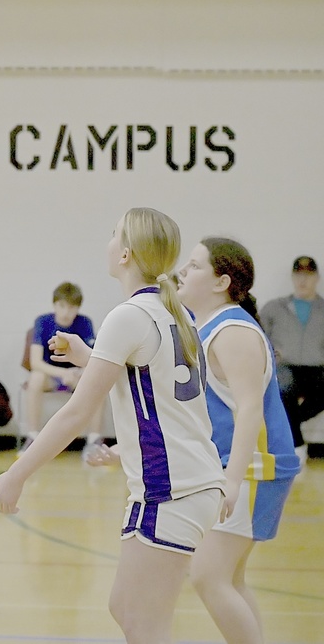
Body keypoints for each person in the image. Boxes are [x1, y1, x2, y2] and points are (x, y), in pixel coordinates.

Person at [0, 207, 225, 644]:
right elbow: (152, 387)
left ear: (126, 254)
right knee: (125, 608)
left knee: (142, 624)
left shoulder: (129, 315)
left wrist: (16, 473)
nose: (108, 241)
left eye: (113, 234)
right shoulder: (176, 313)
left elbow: (77, 413)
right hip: (189, 483)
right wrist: (89, 358)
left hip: (170, 491)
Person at [175, 238, 299, 644]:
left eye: (193, 266)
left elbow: (250, 410)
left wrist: (230, 479)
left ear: (221, 281)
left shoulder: (233, 331)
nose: (182, 271)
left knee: (209, 577)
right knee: (229, 579)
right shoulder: (208, 326)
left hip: (252, 469)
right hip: (239, 467)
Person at [21, 281, 103, 461]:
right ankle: (33, 436)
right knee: (35, 378)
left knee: (97, 381)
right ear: (54, 305)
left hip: (76, 375)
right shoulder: (42, 322)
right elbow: (35, 362)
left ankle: (94, 439)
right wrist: (62, 374)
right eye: (62, 306)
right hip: (51, 375)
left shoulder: (84, 323)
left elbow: (92, 360)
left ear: (78, 308)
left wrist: (75, 374)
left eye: (71, 307)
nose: (66, 312)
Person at [259, 255, 324, 471]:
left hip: (317, 367)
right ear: (292, 277)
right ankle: (297, 445)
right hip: (285, 366)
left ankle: (288, 426)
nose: (303, 280)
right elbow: (259, 337)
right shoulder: (274, 308)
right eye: (298, 275)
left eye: (308, 275)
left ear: (317, 277)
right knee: (283, 387)